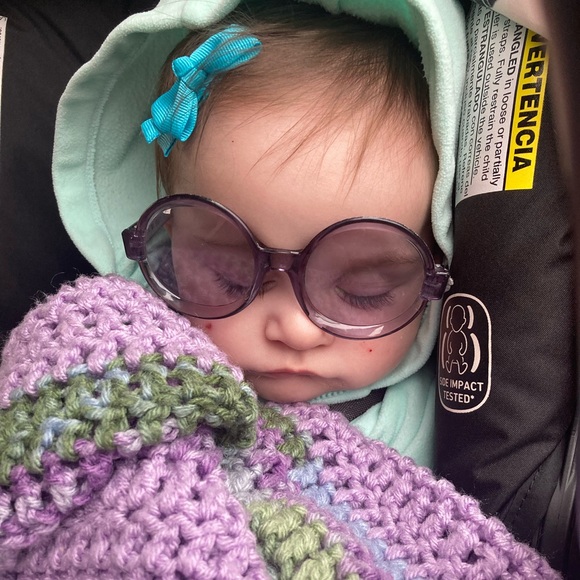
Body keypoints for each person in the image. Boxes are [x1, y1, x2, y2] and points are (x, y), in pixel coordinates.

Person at [50, 0, 466, 471]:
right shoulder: (118, 358)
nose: (296, 330)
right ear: (169, 241)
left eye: (364, 292)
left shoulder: (444, 432)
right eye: (229, 277)